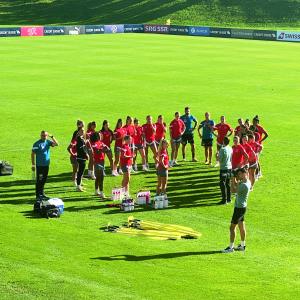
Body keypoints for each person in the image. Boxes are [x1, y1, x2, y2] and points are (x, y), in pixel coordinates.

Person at [222, 167, 251, 253]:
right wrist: (235, 178)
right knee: (241, 226)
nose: (238, 176)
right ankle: (242, 245)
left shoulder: (243, 185)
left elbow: (233, 190)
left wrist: (232, 179)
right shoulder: (247, 181)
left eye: (239, 174)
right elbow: (237, 184)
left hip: (238, 209)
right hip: (243, 207)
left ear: (243, 174)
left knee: (232, 228)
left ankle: (231, 248)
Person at [31, 131, 58, 200]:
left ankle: (42, 193)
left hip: (46, 164)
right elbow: (32, 154)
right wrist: (33, 164)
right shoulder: (37, 144)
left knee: (44, 180)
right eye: (43, 135)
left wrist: (52, 137)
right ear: (40, 135)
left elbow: (57, 144)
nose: (44, 137)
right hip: (40, 165)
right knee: (39, 180)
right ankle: (38, 195)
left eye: (46, 135)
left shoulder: (48, 142)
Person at [90, 132, 107, 199]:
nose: (101, 136)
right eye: (99, 135)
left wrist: (105, 148)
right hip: (97, 162)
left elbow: (106, 148)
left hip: (102, 161)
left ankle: (96, 191)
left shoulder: (100, 142)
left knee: (98, 177)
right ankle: (101, 192)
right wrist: (103, 149)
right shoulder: (93, 144)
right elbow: (97, 151)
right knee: (101, 176)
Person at [218, 137, 232, 205]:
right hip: (229, 168)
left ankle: (224, 199)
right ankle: (229, 198)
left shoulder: (222, 149)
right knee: (228, 183)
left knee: (222, 183)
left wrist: (217, 156)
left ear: (223, 141)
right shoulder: (230, 148)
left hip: (223, 168)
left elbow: (220, 160)